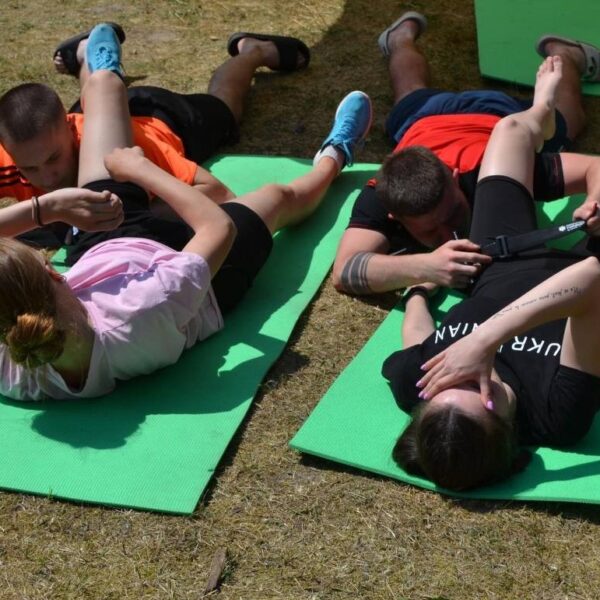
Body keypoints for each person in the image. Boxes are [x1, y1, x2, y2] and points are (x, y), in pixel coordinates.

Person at [0, 24, 372, 401]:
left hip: (104, 247)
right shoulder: (145, 306)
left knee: (103, 87)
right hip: (202, 287)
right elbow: (218, 225)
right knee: (277, 197)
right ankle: (335, 156)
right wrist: (141, 170)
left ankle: (89, 56)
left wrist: (48, 206)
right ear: (54, 273)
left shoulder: (11, 369)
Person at [381, 55, 600, 491]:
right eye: (481, 389)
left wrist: (419, 293)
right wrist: (483, 341)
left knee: (509, 131)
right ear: (506, 428)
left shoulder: (419, 385)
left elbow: (416, 337)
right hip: (585, 276)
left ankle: (542, 111)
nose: (462, 368)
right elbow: (592, 283)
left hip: (499, 263)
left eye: (447, 380)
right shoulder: (556, 415)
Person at [331, 10, 600, 295]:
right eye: (431, 232)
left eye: (454, 214)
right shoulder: (380, 195)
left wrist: (595, 203)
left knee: (568, 120)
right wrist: (427, 266)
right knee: (408, 93)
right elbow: (344, 271)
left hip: (497, 113)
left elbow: (593, 166)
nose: (449, 236)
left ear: (456, 178)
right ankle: (399, 38)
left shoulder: (494, 170)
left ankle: (566, 55)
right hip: (424, 118)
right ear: (394, 218)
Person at [0, 22, 311, 244]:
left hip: (164, 120)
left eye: (54, 158)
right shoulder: (19, 152)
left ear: (70, 131)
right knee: (95, 100)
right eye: (30, 168)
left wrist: (128, 211)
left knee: (226, 107)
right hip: (90, 111)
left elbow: (218, 192)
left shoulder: (131, 154)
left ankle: (253, 51)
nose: (47, 177)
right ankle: (86, 54)